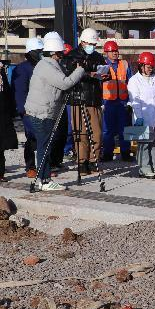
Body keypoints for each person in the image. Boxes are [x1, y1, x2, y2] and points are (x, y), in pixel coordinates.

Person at [24, 32, 85, 191]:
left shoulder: (46, 64)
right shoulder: (47, 66)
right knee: (44, 146)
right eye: (60, 52)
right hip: (42, 113)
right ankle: (44, 181)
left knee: (44, 145)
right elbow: (65, 83)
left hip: (42, 111)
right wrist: (80, 71)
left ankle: (43, 179)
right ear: (54, 52)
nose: (62, 55)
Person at [61, 28, 107, 175]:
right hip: (78, 99)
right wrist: (89, 74)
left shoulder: (98, 56)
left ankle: (94, 161)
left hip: (94, 99)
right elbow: (69, 75)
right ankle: (82, 162)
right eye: (91, 44)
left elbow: (105, 71)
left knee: (97, 133)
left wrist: (105, 75)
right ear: (83, 42)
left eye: (94, 44)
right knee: (81, 134)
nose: (92, 46)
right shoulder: (72, 56)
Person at [128, 52, 155, 178]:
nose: (150, 69)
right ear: (141, 66)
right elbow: (135, 101)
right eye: (148, 67)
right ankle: (144, 168)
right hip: (142, 117)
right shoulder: (134, 80)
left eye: (151, 67)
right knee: (144, 144)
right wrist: (139, 116)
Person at [12, 37, 44, 178]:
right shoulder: (22, 69)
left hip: (43, 107)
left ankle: (44, 165)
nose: (41, 53)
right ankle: (30, 166)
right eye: (39, 51)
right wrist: (23, 109)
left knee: (44, 136)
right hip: (28, 109)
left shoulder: (43, 66)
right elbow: (20, 91)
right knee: (32, 136)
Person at [101, 40, 133, 162]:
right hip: (108, 103)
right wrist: (101, 102)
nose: (115, 53)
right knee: (107, 130)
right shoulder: (102, 65)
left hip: (123, 102)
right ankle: (107, 153)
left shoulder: (124, 64)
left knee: (124, 129)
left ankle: (126, 152)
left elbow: (131, 82)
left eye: (116, 51)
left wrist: (130, 100)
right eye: (112, 51)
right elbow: (98, 84)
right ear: (106, 52)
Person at [0, 59, 17, 182]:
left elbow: (8, 93)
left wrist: (12, 111)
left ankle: (1, 172)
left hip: (3, 114)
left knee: (1, 145)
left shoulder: (2, 74)